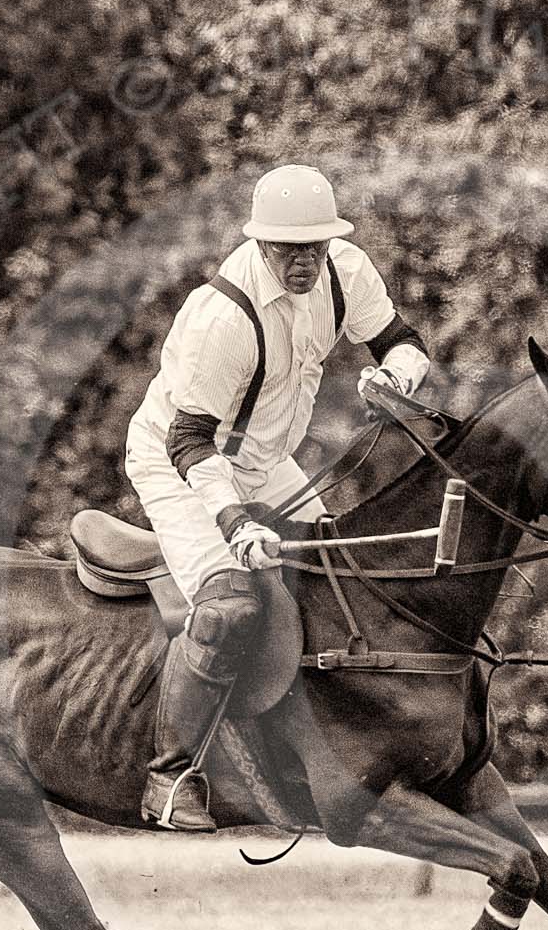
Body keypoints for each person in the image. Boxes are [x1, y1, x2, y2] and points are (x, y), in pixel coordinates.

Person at [124, 164, 433, 830]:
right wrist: (235, 524)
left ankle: (327, 751)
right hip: (178, 462)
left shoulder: (346, 272)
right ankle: (170, 777)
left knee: (338, 574)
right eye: (289, 251)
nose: (305, 263)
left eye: (315, 248)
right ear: (261, 245)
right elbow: (188, 442)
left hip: (264, 459)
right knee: (233, 602)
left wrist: (393, 378)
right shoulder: (223, 318)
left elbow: (405, 343)